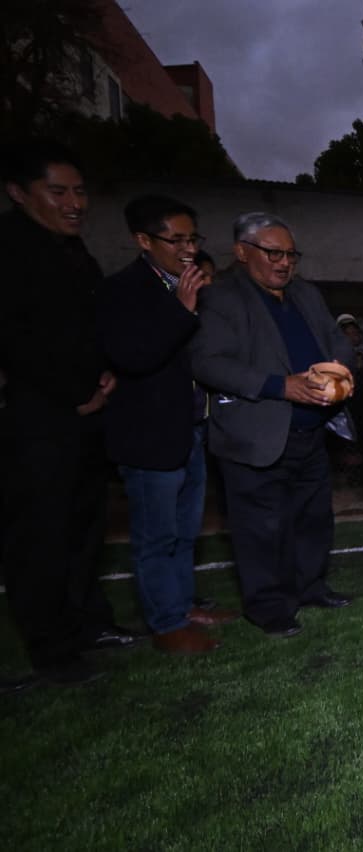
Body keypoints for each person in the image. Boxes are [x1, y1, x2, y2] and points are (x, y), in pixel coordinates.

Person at [0, 140, 137, 688]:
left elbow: (94, 328)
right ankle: (51, 648)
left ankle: (87, 624)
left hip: (88, 410)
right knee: (40, 535)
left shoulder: (77, 252)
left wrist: (107, 375)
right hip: (38, 417)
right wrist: (68, 391)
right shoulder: (10, 249)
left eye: (79, 191)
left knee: (85, 527)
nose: (74, 202)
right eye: (58, 192)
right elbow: (15, 340)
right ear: (19, 193)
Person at [188, 212, 356, 637]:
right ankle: (267, 606)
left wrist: (339, 372)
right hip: (254, 435)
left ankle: (310, 586)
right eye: (273, 253)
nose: (284, 263)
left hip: (310, 431)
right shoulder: (221, 298)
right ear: (242, 252)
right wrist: (280, 386)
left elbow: (338, 342)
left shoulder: (307, 294)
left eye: (290, 254)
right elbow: (208, 363)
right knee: (260, 528)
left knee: (313, 518)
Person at [97, 195, 238, 654]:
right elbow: (132, 357)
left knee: (185, 531)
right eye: (175, 239)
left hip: (192, 428)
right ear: (143, 240)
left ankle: (182, 607)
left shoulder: (191, 285)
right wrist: (181, 309)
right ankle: (165, 625)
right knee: (156, 536)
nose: (188, 248)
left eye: (192, 238)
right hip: (150, 436)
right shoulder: (123, 290)